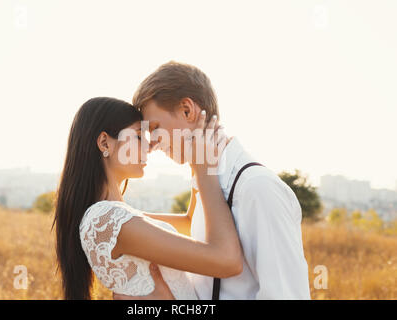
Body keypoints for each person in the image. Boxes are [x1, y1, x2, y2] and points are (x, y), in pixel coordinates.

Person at [115, 61, 311, 299]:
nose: (152, 143)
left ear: (187, 110)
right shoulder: (208, 178)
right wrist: (119, 220)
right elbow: (192, 227)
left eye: (155, 127)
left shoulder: (256, 188)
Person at [53, 96, 243, 300]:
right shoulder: (108, 219)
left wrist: (194, 157)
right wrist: (206, 170)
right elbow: (227, 261)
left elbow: (189, 223)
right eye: (137, 137)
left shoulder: (121, 218)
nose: (149, 147)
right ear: (104, 142)